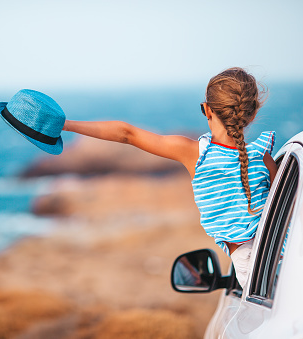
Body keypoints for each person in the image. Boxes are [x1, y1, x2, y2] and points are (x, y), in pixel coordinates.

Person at [63, 67, 278, 288]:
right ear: (251, 114)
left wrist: (67, 125)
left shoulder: (196, 154)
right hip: (278, 256)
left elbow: (127, 133)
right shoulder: (264, 158)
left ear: (207, 110)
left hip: (252, 266)